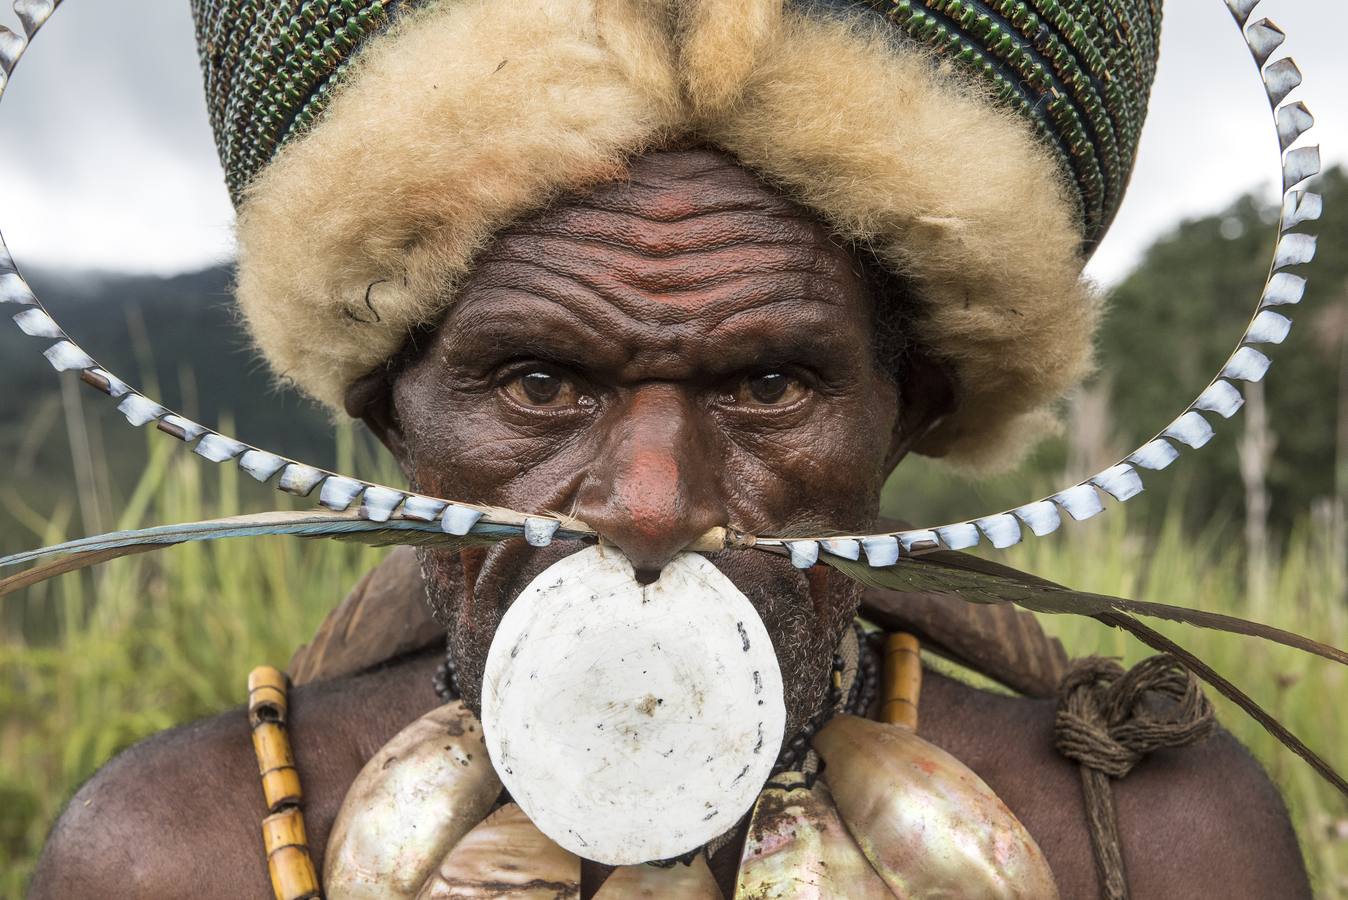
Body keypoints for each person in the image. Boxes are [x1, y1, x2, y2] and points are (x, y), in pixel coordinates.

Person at [28, 1, 1310, 897]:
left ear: (905, 406)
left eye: (765, 383)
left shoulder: (1150, 843)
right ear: (389, 413)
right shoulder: (174, 855)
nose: (650, 507)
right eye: (538, 383)